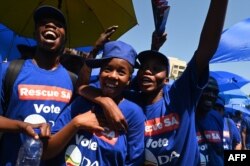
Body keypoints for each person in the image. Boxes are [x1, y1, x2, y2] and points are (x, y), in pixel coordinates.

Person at [77, 0, 228, 165]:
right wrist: (105, 101)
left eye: (156, 69)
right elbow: (82, 89)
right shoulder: (130, 101)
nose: (148, 71)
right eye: (145, 68)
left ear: (167, 79)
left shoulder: (179, 97)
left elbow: (205, 49)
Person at [41, 41, 145, 165]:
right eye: (107, 69)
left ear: (129, 80)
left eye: (121, 72)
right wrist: (76, 123)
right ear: (100, 73)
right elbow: (46, 152)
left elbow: (134, 161)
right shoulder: (81, 102)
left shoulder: (134, 114)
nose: (112, 76)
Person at [0, 5, 76, 165]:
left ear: (65, 39)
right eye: (44, 22)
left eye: (59, 25)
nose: (51, 26)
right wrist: (20, 126)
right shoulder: (9, 70)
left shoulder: (73, 81)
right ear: (35, 34)